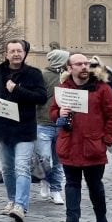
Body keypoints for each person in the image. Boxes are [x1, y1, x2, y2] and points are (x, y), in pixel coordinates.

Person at [51, 53, 112, 222]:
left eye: (86, 64)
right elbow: (53, 111)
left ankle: (101, 215)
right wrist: (59, 114)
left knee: (95, 185)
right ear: (69, 68)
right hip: (70, 144)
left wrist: (106, 140)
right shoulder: (63, 88)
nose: (84, 67)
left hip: (93, 146)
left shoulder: (102, 88)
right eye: (79, 64)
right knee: (72, 185)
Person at [0, 40, 47, 222]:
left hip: (24, 127)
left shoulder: (34, 74)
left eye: (19, 51)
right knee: (6, 169)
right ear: (6, 54)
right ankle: (11, 200)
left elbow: (41, 97)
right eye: (12, 51)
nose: (16, 54)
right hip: (2, 126)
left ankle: (21, 205)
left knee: (21, 167)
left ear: (24, 53)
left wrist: (17, 89)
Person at [35, 49, 68, 206]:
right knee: (45, 158)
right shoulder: (42, 76)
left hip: (61, 124)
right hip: (43, 122)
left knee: (58, 160)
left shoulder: (68, 77)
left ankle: (56, 190)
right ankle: (44, 180)